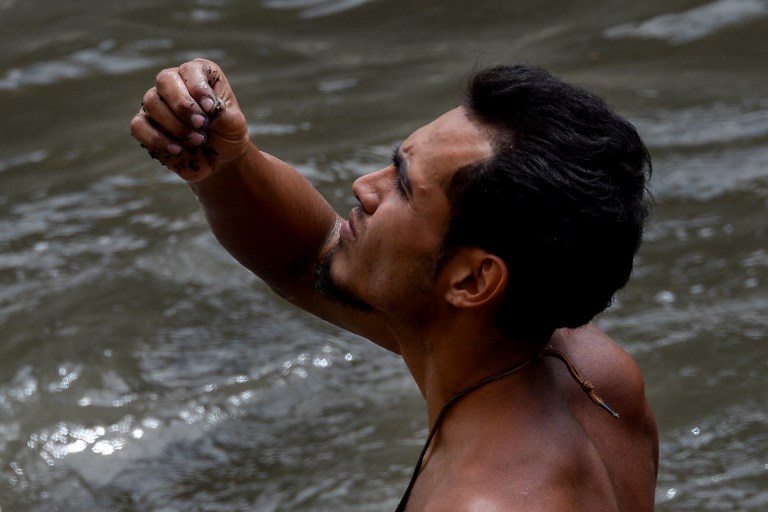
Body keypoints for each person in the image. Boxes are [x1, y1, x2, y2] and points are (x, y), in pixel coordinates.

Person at [130, 59, 659, 511]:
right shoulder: (594, 376)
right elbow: (306, 258)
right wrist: (227, 161)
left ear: (474, 279)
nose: (364, 187)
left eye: (403, 186)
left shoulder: (483, 500)